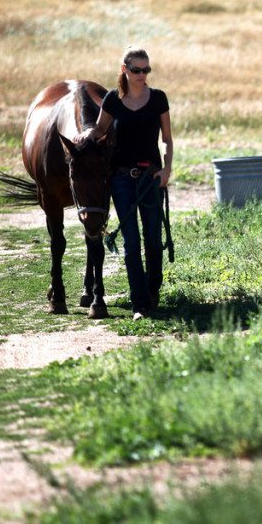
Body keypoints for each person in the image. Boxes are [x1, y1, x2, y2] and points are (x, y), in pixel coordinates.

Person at [83, 46, 173, 320]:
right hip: (121, 179)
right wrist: (85, 135)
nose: (142, 75)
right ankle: (140, 305)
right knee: (131, 242)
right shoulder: (113, 99)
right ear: (124, 69)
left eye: (146, 70)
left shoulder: (158, 98)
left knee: (153, 240)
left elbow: (167, 139)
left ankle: (152, 289)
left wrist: (166, 169)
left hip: (151, 178)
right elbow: (100, 129)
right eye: (136, 70)